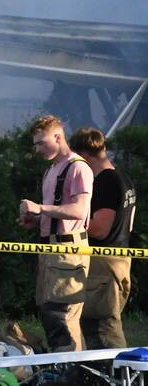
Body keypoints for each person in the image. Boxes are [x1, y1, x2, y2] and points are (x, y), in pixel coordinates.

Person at [19, 115, 93, 352]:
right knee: (53, 317)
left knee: (60, 316)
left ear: (58, 137)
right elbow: (60, 211)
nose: (38, 149)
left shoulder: (78, 167)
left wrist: (41, 208)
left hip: (68, 251)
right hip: (51, 250)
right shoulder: (51, 170)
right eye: (35, 144)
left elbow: (80, 210)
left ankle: (71, 377)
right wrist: (38, 219)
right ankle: (70, 375)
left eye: (41, 143)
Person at [69, 127, 136, 349]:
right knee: (105, 322)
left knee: (101, 326)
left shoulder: (105, 182)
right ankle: (117, 378)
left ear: (84, 156)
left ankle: (117, 379)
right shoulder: (124, 178)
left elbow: (100, 229)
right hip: (120, 259)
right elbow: (130, 224)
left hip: (102, 263)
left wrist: (68, 223)